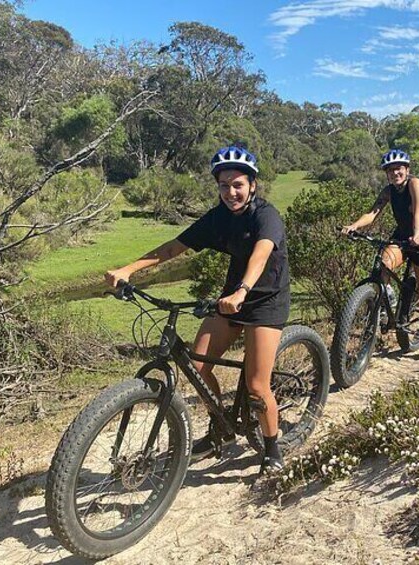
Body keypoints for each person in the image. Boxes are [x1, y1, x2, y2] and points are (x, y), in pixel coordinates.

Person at [105, 146, 290, 474]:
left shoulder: (266, 216)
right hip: (230, 299)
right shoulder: (218, 217)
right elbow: (174, 247)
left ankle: (272, 446)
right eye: (223, 185)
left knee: (257, 386)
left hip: (264, 301)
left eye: (238, 185)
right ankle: (220, 426)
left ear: (252, 186)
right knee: (197, 364)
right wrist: (128, 270)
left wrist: (243, 290)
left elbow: (260, 254)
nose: (231, 192)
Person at [342, 149, 419, 361]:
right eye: (391, 170)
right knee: (382, 264)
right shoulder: (388, 191)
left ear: (407, 169)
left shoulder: (416, 184)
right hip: (402, 237)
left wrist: (416, 235)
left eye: (399, 169)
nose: (395, 173)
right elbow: (373, 213)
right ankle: (388, 301)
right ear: (387, 173)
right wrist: (354, 226)